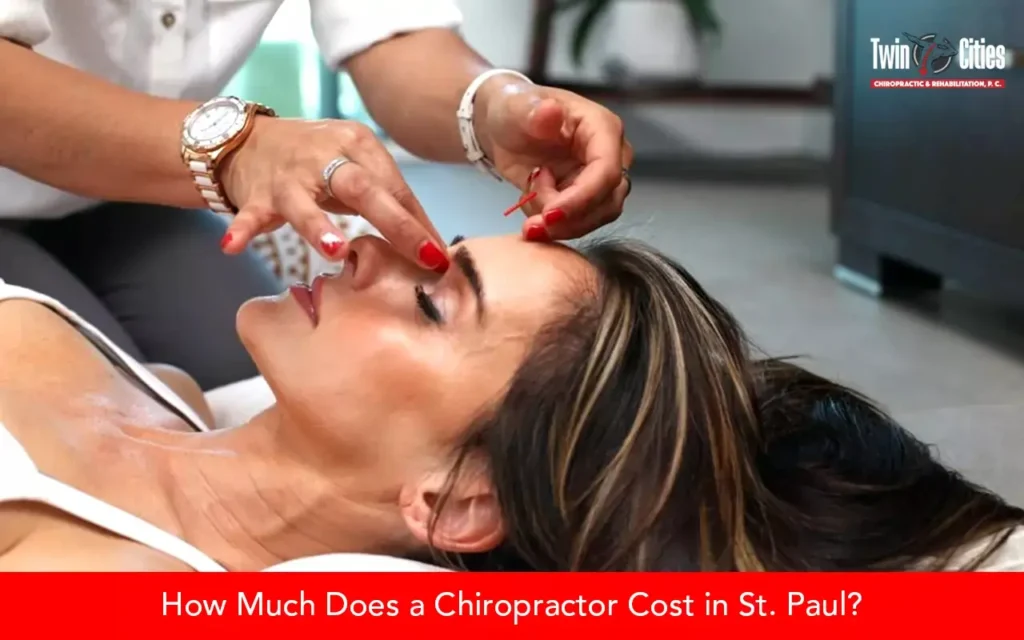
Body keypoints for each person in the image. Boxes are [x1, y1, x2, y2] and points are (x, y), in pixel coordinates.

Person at [0, 233, 1021, 572]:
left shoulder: (98, 574)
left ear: (457, 499)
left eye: (434, 301)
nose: (367, 249)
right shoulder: (168, 394)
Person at [0, 1, 634, 390]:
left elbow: (395, 33)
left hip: (126, 198)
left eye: (433, 303)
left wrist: (493, 103)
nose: (361, 252)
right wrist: (238, 149)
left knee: (218, 375)